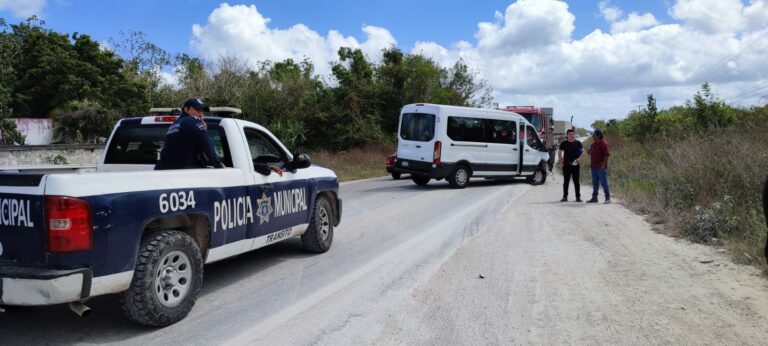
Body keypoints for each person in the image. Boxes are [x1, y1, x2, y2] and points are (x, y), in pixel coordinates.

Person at [155, 98, 283, 176]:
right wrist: (216, 164)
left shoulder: (175, 124)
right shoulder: (193, 122)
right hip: (185, 172)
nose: (200, 114)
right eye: (197, 110)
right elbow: (207, 145)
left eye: (201, 111)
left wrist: (260, 167)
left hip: (164, 170)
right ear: (186, 109)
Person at [558, 129, 585, 202]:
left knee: (576, 182)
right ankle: (565, 197)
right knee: (566, 182)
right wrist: (561, 163)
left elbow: (583, 152)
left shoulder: (578, 143)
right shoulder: (564, 143)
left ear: (575, 135)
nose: (572, 136)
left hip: (575, 166)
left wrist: (579, 159)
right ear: (567, 135)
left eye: (573, 134)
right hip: (566, 166)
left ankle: (578, 197)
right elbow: (559, 153)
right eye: (570, 134)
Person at [586, 129, 610, 204]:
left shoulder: (604, 144)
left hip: (601, 167)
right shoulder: (593, 144)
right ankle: (594, 198)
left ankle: (607, 198)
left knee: (603, 182)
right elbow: (588, 152)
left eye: (594, 135)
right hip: (593, 167)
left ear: (599, 136)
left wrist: (603, 165)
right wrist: (591, 150)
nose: (593, 136)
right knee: (595, 182)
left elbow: (606, 155)